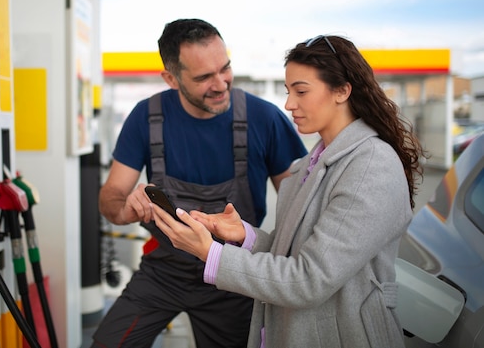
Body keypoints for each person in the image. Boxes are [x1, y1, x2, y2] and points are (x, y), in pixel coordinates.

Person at [153, 34, 427, 348]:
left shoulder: (370, 167)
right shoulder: (309, 165)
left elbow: (308, 278)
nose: (288, 104)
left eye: (301, 91)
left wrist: (210, 252)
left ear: (342, 90)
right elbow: (300, 254)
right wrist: (246, 237)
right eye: (288, 91)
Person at [91, 18, 307, 347]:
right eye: (204, 77)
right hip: (165, 271)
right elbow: (111, 199)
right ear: (171, 78)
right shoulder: (146, 118)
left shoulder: (264, 119)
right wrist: (126, 209)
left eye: (225, 68)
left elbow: (300, 210)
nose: (221, 83)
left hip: (233, 277)